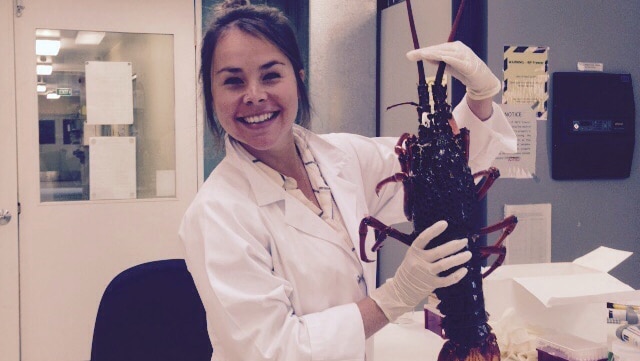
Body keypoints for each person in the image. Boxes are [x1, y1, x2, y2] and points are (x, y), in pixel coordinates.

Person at [179, 1, 517, 360]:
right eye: (233, 81)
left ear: (299, 77)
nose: (255, 95)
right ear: (212, 94)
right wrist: (394, 298)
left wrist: (480, 98)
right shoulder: (216, 215)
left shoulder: (342, 158)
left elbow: (451, 173)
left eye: (271, 75)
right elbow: (274, 351)